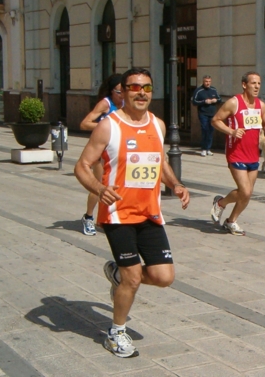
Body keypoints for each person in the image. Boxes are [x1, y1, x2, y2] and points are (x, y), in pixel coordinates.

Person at [75, 67, 190, 358]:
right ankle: (116, 333)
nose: (141, 93)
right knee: (133, 279)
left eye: (147, 88)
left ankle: (115, 273)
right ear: (123, 92)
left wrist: (175, 184)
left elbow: (160, 160)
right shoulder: (108, 125)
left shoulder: (158, 125)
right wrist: (100, 189)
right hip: (117, 214)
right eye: (135, 87)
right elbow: (82, 166)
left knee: (164, 277)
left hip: (150, 213)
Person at [210, 71, 265, 235]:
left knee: (247, 194)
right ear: (244, 85)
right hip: (236, 153)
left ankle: (231, 221)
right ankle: (221, 203)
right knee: (244, 191)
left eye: (259, 84)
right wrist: (231, 131)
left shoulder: (261, 105)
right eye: (253, 83)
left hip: (253, 154)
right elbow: (215, 120)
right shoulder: (234, 103)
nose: (257, 87)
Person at [79, 74, 124, 236]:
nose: (122, 95)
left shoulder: (127, 104)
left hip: (118, 152)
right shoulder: (106, 104)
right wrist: (106, 127)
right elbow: (84, 123)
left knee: (118, 185)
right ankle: (89, 216)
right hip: (101, 152)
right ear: (111, 92)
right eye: (119, 92)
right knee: (99, 186)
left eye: (124, 91)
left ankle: (108, 218)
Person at [191, 75, 221, 156]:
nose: (207, 83)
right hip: (203, 113)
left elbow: (219, 99)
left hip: (212, 114)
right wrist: (204, 101)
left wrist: (215, 100)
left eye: (209, 82)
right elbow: (194, 102)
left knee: (211, 131)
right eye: (206, 82)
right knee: (205, 130)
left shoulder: (213, 89)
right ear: (203, 82)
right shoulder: (199, 91)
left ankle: (208, 148)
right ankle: (204, 148)